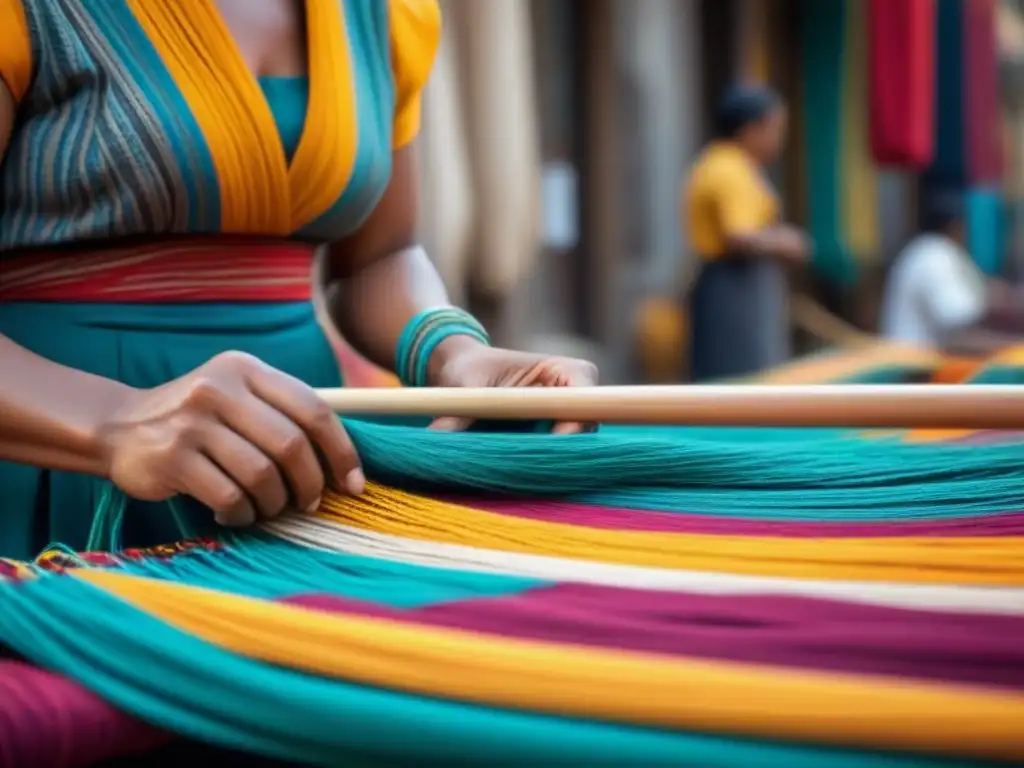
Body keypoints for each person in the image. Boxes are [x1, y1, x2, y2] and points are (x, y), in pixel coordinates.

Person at [0, 0, 597, 563]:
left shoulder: (383, 14)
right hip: (65, 474)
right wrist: (113, 422)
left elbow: (379, 255)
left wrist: (454, 354)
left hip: (306, 470)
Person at [682, 84, 810, 382]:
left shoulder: (728, 164)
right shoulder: (727, 168)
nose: (779, 139)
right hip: (733, 285)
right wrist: (786, 241)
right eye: (775, 129)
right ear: (750, 129)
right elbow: (739, 236)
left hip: (742, 283)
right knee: (740, 377)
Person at [880, 190, 1023, 354]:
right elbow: (958, 334)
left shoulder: (928, 250)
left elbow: (985, 292)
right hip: (914, 370)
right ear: (957, 225)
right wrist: (1014, 347)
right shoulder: (935, 255)